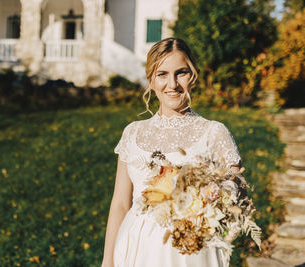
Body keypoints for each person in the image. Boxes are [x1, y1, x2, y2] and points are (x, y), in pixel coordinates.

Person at [101, 37, 242, 267]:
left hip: (191, 251)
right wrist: (108, 261)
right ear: (151, 80)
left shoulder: (214, 133)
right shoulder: (133, 133)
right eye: (162, 74)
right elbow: (119, 203)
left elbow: (236, 194)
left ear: (193, 75)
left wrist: (212, 193)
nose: (172, 84)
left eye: (181, 73)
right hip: (136, 248)